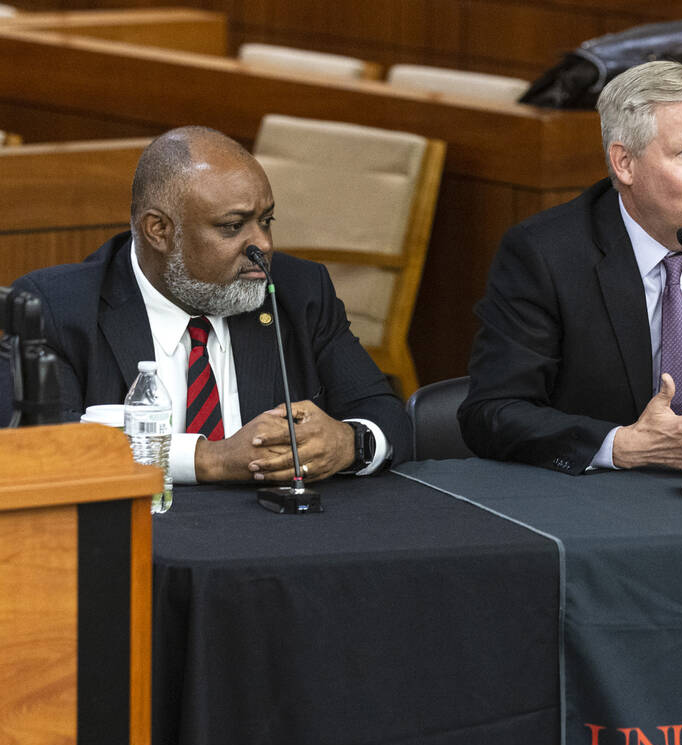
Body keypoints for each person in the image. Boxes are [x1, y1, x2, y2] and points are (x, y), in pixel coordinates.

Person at [458, 60, 682, 475]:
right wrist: (621, 446)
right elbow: (492, 411)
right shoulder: (546, 253)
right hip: (594, 506)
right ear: (624, 163)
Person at [0, 126, 410, 482]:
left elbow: (389, 417)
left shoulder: (298, 290)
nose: (263, 245)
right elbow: (40, 443)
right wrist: (207, 460)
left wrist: (351, 442)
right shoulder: (55, 307)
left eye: (266, 221)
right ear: (158, 230)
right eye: (233, 227)